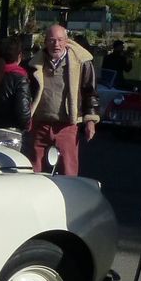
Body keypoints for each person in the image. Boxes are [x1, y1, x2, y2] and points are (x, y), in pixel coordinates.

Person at [27, 24, 99, 174]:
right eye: (52, 40)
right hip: (40, 123)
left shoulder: (82, 63)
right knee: (35, 169)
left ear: (67, 41)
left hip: (67, 125)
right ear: (45, 42)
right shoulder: (34, 64)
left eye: (60, 40)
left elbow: (90, 92)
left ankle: (68, 190)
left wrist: (90, 121)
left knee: (68, 169)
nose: (56, 44)